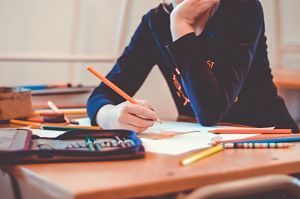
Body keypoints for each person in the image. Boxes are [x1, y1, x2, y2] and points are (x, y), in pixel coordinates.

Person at [87, 0, 299, 133]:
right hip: (204, 145)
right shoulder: (156, 21)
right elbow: (102, 94)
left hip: (270, 140)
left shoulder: (242, 8)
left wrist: (180, 25)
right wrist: (109, 116)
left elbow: (210, 112)